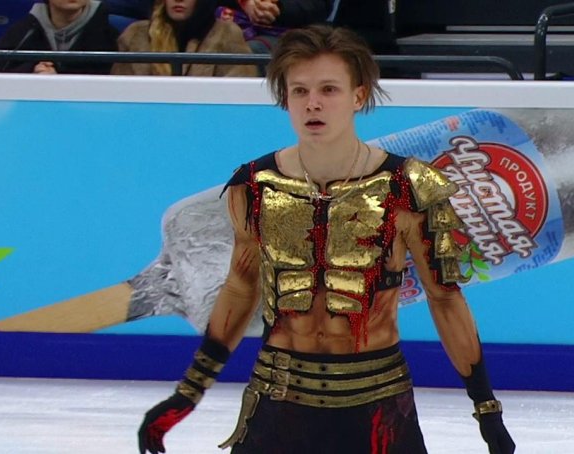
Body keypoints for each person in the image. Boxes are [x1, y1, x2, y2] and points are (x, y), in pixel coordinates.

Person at [136, 24, 515, 454]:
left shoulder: (406, 187)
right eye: (299, 91)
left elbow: (445, 298)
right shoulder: (254, 186)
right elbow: (240, 289)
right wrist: (188, 394)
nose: (312, 103)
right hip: (278, 400)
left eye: (328, 89)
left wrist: (487, 409)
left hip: (377, 407)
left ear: (358, 95)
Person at [111, 0, 257, 76]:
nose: (178, 0)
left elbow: (237, 98)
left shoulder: (226, 35)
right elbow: (121, 98)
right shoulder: (136, 35)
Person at [0, 0, 119, 74]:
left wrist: (59, 77)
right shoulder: (23, 31)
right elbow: (0, 71)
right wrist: (32, 70)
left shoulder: (110, 35)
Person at [215, 0, 333, 53]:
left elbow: (319, 6)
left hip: (289, 33)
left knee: (246, 51)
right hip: (225, 24)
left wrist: (276, 7)